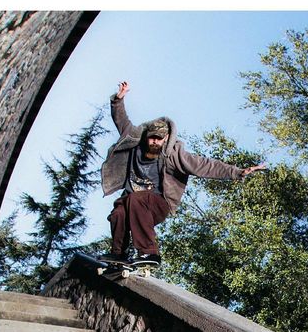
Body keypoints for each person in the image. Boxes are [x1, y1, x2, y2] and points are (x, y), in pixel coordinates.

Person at [100, 81, 264, 266]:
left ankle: (149, 253)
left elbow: (205, 165)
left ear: (166, 138)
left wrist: (237, 172)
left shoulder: (174, 155)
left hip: (159, 205)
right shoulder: (135, 143)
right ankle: (119, 254)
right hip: (134, 205)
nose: (154, 142)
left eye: (158, 139)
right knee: (118, 212)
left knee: (135, 199)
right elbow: (121, 122)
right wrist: (119, 100)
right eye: (151, 138)